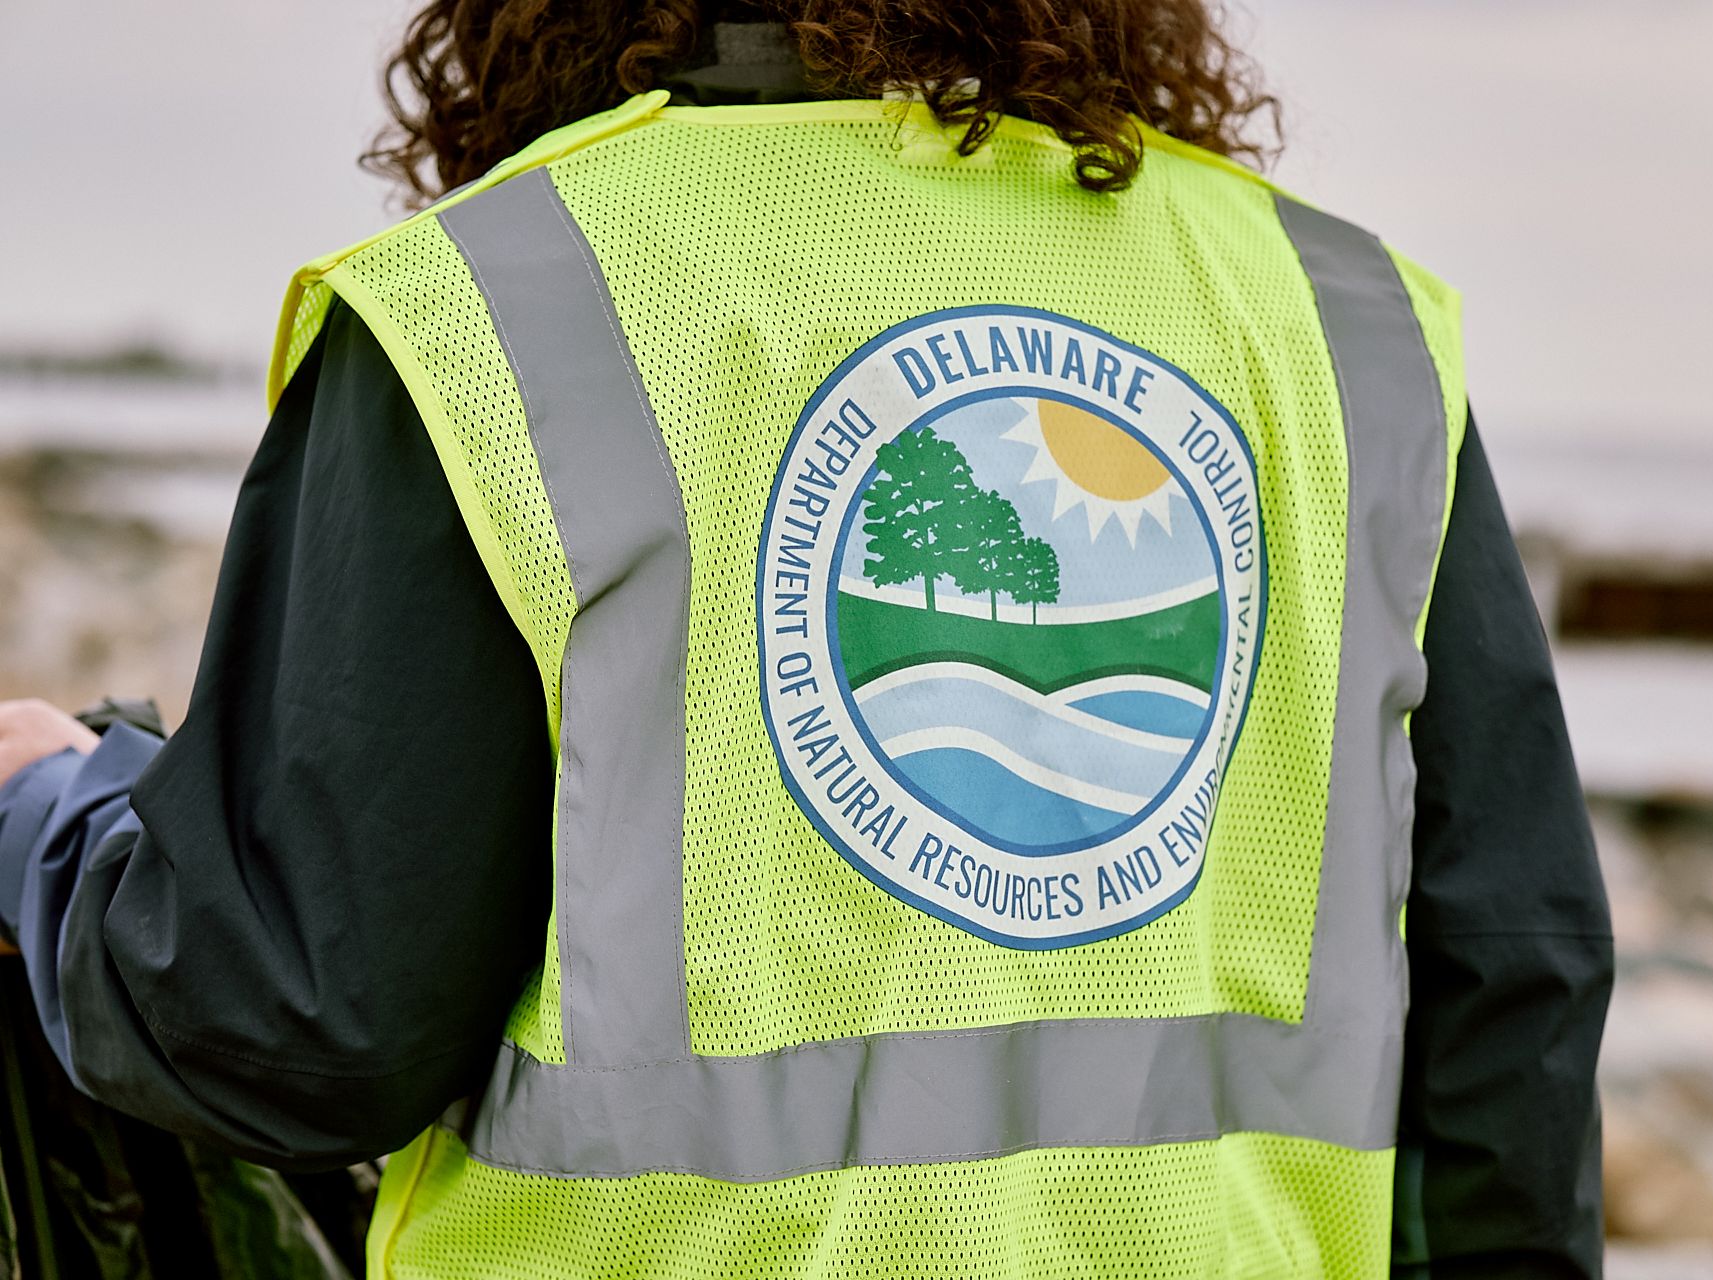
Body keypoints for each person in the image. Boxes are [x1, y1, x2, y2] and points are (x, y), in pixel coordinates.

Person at [0, 3, 1613, 1277]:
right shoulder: (1337, 324)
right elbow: (1511, 981)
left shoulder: (503, 308)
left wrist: (54, 815)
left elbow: (300, 1013)